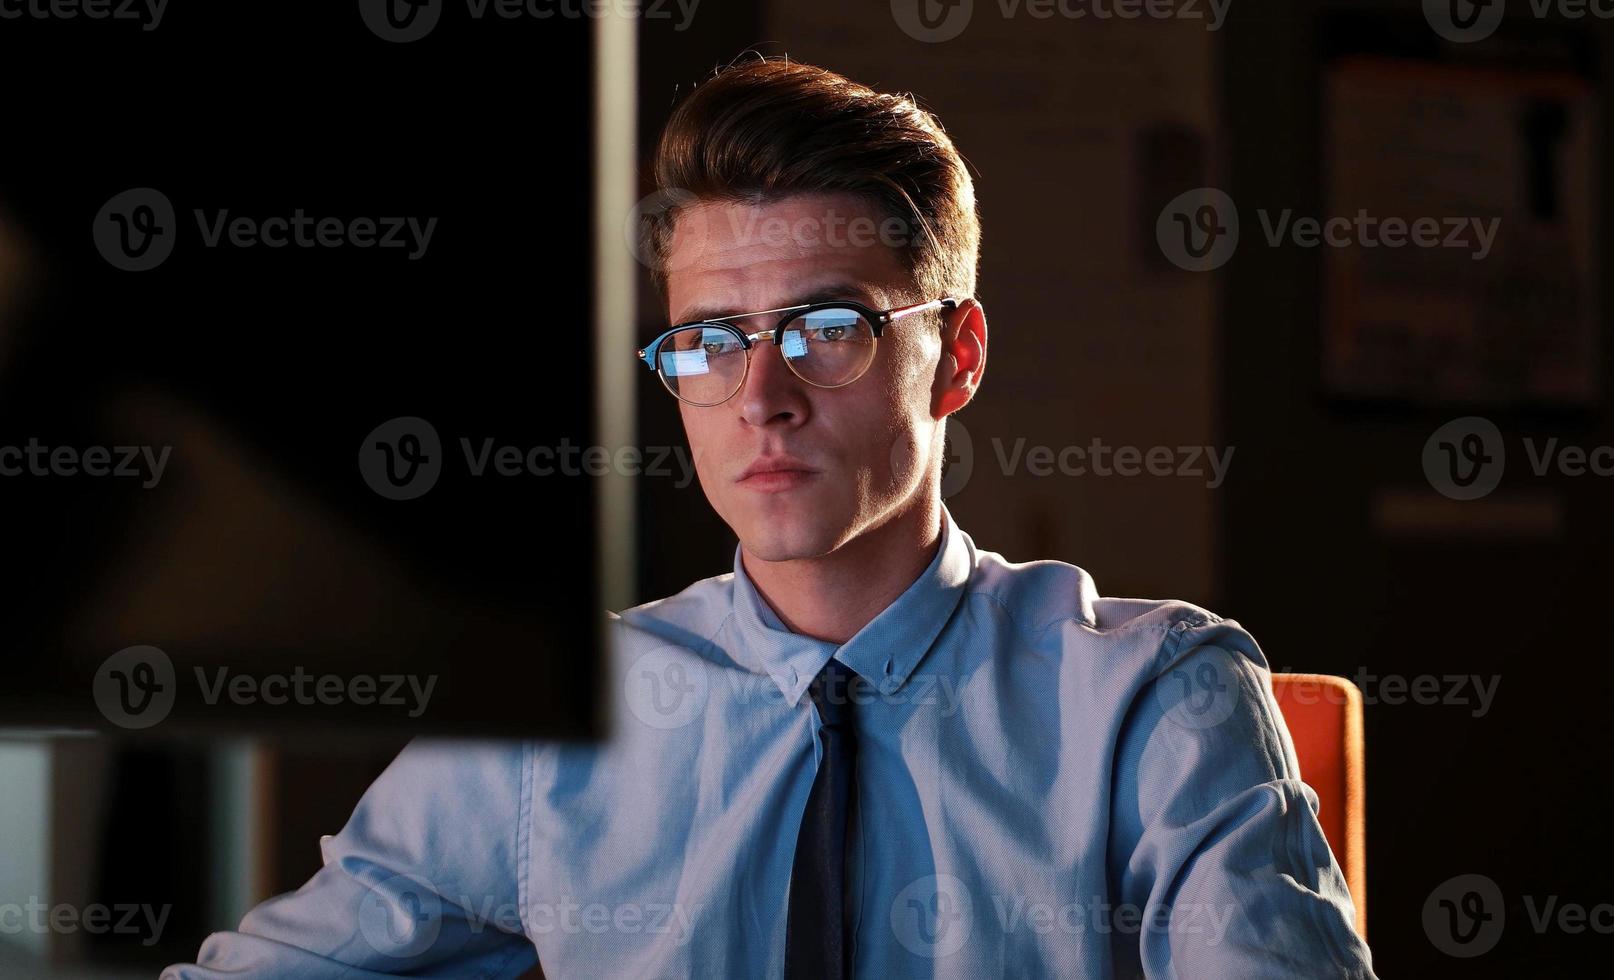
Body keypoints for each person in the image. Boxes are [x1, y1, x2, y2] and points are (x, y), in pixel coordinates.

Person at [165, 58, 1377, 979]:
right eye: (707, 341)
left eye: (827, 328)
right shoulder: (549, 721)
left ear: (953, 357)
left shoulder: (1148, 697)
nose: (762, 398)